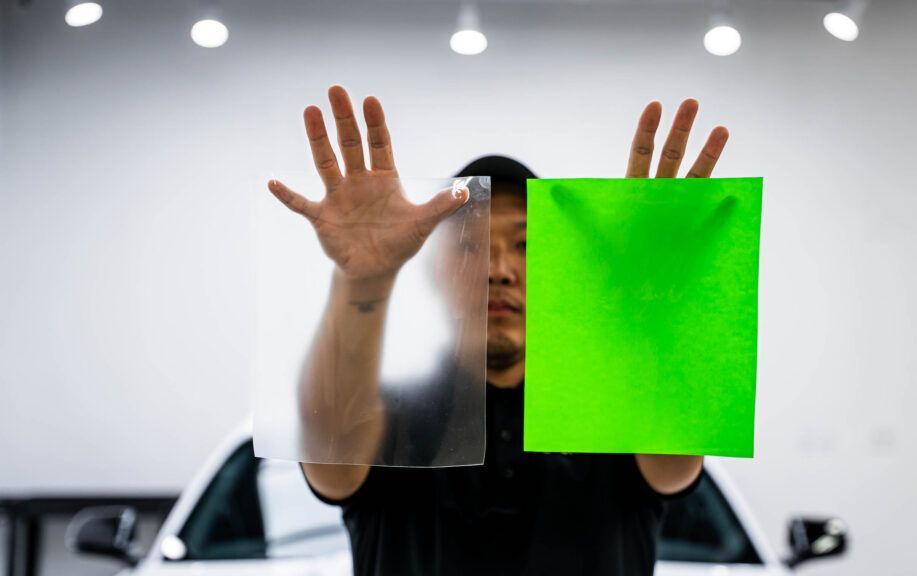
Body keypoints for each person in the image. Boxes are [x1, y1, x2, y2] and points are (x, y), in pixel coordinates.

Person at [266, 84, 730, 576]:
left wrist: (656, 302)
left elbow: (676, 462)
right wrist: (364, 278)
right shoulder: (394, 415)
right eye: (472, 245)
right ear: (436, 270)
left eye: (526, 244)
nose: (499, 268)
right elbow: (330, 456)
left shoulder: (612, 412)